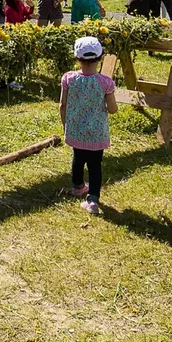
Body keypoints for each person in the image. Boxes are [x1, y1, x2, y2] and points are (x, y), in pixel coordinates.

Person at [60, 36, 119, 216]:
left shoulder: (68, 78)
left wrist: (65, 125)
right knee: (95, 165)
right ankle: (93, 199)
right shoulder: (105, 82)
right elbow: (113, 109)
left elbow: (62, 105)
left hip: (76, 129)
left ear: (77, 58)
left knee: (77, 158)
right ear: (100, 58)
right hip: (97, 133)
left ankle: (78, 186)